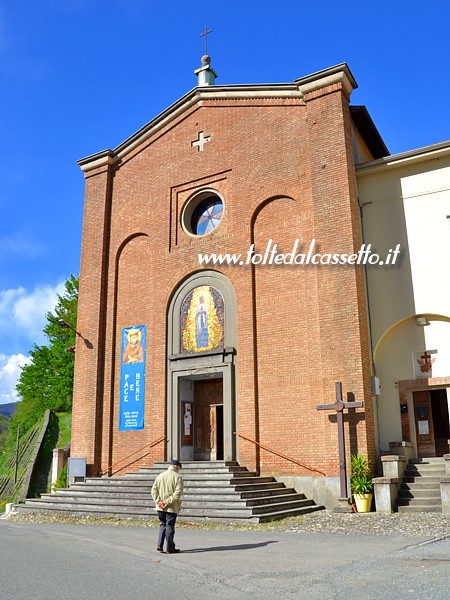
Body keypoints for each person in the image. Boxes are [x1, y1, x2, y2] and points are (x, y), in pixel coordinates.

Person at [151, 459, 184, 553]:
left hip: (160, 507)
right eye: (179, 468)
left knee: (162, 524)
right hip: (171, 507)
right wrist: (167, 502)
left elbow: (154, 491)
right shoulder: (178, 477)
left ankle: (159, 545)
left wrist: (159, 502)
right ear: (177, 467)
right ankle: (170, 547)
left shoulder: (160, 476)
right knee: (170, 526)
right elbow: (177, 493)